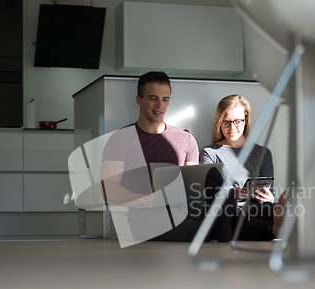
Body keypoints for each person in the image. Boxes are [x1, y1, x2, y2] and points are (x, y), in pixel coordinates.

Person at [101, 71, 229, 242]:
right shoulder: (121, 138)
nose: (159, 105)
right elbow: (108, 189)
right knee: (177, 220)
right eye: (153, 98)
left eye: (165, 99)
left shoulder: (186, 138)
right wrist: (147, 199)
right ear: (139, 100)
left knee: (201, 196)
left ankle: (216, 223)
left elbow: (193, 184)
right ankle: (217, 228)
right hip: (143, 215)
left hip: (184, 207)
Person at [200, 94, 281, 240]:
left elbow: (270, 190)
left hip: (259, 208)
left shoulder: (262, 153)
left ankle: (279, 223)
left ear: (246, 120)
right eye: (226, 122)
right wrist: (230, 195)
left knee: (269, 209)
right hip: (229, 213)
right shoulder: (210, 153)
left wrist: (269, 197)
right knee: (238, 217)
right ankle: (276, 229)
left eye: (237, 122)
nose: (232, 128)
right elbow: (208, 193)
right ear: (219, 122)